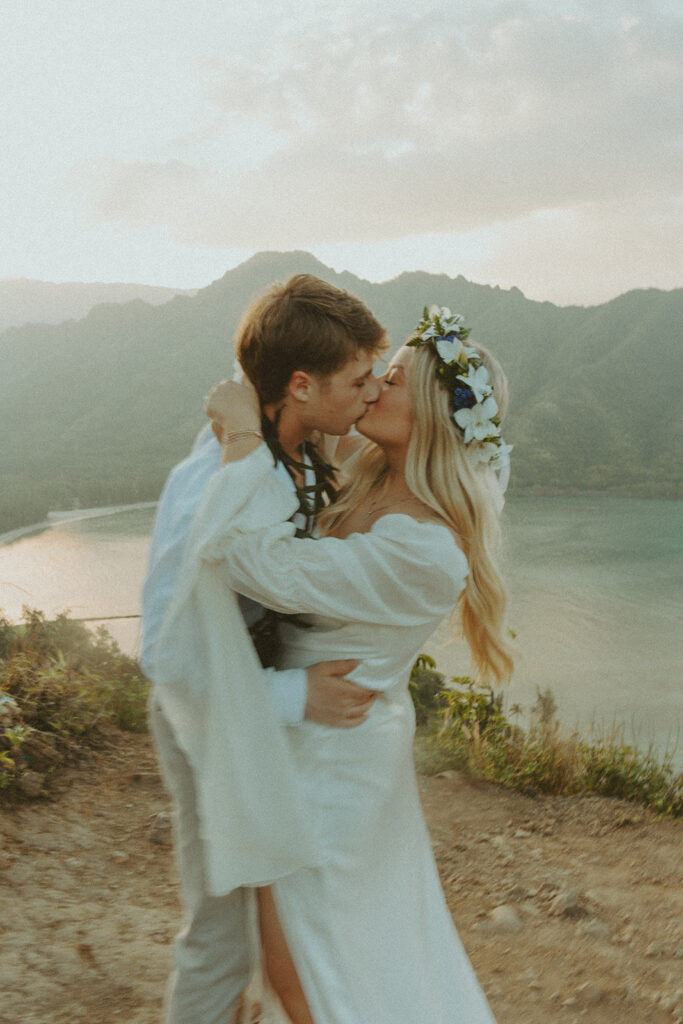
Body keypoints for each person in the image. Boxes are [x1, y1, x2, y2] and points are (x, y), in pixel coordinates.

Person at [159, 305, 514, 1023]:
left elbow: (254, 560)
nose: (373, 388)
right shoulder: (369, 472)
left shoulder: (423, 549)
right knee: (303, 957)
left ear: (433, 416)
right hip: (300, 741)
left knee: (305, 970)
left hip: (335, 766)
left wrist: (241, 438)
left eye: (392, 380)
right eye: (372, 377)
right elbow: (308, 400)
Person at [141, 274, 388, 1024]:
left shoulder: (297, 444)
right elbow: (168, 656)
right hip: (207, 717)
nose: (373, 392)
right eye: (358, 380)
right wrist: (294, 695)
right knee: (220, 930)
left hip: (252, 710)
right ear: (301, 385)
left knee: (274, 914)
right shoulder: (212, 483)